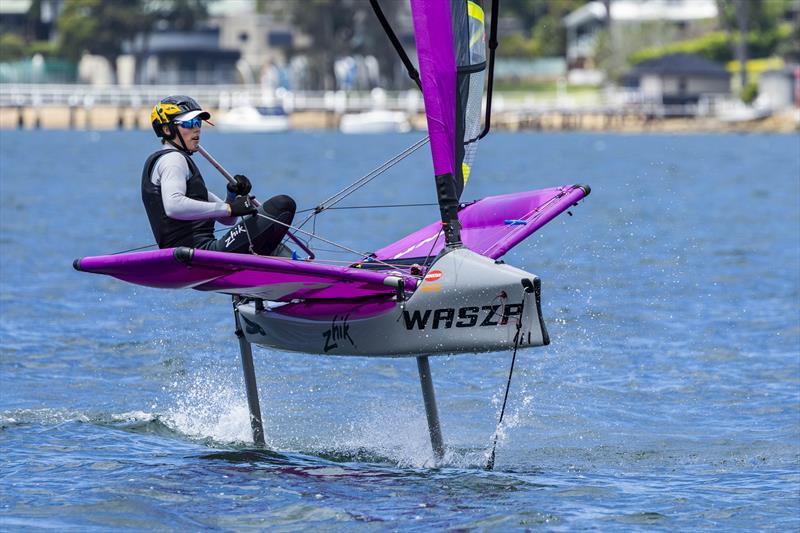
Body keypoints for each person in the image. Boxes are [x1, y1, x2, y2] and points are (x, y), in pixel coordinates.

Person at [141, 95, 296, 255]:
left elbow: (228, 220)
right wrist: (230, 208)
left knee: (270, 243)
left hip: (200, 252)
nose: (197, 129)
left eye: (198, 123)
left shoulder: (177, 165)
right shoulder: (173, 159)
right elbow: (173, 206)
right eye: (189, 123)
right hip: (196, 254)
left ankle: (275, 268)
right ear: (167, 130)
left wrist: (232, 195)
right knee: (282, 204)